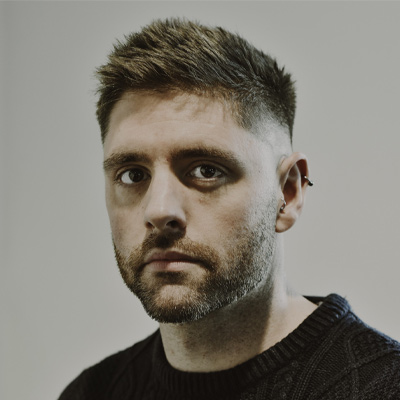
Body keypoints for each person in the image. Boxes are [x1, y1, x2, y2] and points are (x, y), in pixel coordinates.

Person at [59, 18, 400, 399]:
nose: (158, 210)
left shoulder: (382, 387)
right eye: (133, 174)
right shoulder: (92, 392)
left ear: (287, 193)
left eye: (206, 170)